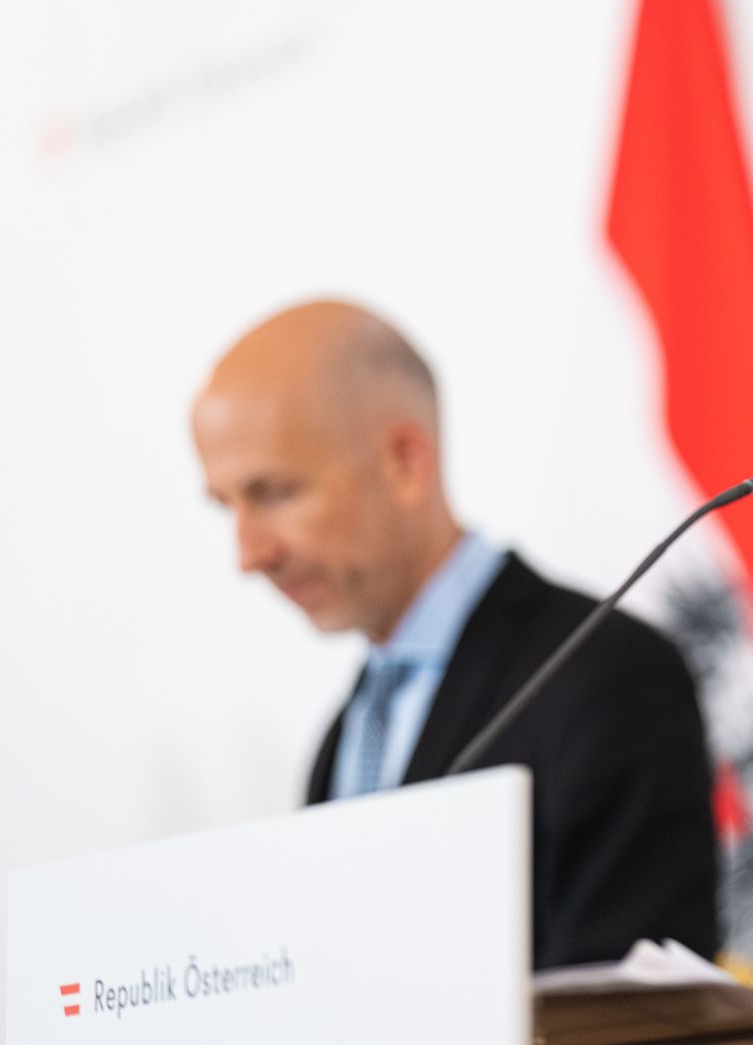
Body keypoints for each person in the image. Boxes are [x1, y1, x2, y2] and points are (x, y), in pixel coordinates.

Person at [190, 300, 719, 969]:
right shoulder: (342, 740)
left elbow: (642, 1015)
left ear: (404, 461)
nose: (249, 553)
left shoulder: (607, 675)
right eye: (226, 506)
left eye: (272, 492)